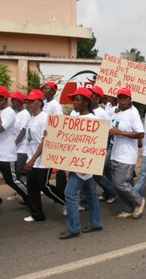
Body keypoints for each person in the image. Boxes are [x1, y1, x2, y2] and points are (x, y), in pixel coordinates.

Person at [59, 88, 103, 239]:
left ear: (85, 102)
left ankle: (73, 228)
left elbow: (97, 146)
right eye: (74, 100)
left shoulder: (94, 120)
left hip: (83, 165)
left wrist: (87, 165)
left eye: (77, 100)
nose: (74, 103)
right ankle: (96, 222)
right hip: (76, 162)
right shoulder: (75, 119)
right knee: (91, 193)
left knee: (69, 193)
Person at [0, 86, 29, 218]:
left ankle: (31, 197)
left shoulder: (9, 113)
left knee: (12, 181)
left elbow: (0, 128)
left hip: (5, 155)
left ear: (2, 99)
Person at [23, 89, 66, 222]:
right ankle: (37, 214)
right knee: (32, 188)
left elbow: (45, 140)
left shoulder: (45, 118)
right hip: (32, 160)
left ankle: (68, 202)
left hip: (42, 160)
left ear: (39, 102)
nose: (29, 103)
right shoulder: (31, 119)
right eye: (28, 101)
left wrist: (33, 159)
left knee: (44, 186)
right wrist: (29, 159)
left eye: (32, 101)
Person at [109, 88, 145, 219]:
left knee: (120, 183)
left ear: (130, 100)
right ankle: (128, 209)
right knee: (117, 184)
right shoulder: (116, 114)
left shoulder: (133, 114)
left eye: (125, 98)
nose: (122, 100)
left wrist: (120, 133)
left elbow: (140, 133)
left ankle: (139, 201)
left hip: (127, 155)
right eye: (120, 98)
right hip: (115, 153)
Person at [87, 85, 116, 203]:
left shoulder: (102, 114)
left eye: (92, 94)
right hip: (87, 147)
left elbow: (109, 131)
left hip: (100, 147)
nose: (89, 96)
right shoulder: (86, 110)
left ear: (97, 98)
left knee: (96, 173)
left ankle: (111, 191)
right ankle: (107, 192)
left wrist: (102, 146)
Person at [42, 81, 67, 193]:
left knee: (58, 166)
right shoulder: (43, 103)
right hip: (44, 138)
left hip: (53, 139)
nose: (44, 90)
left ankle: (61, 190)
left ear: (52, 91)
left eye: (46, 88)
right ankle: (43, 185)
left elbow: (59, 122)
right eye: (43, 88)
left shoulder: (55, 105)